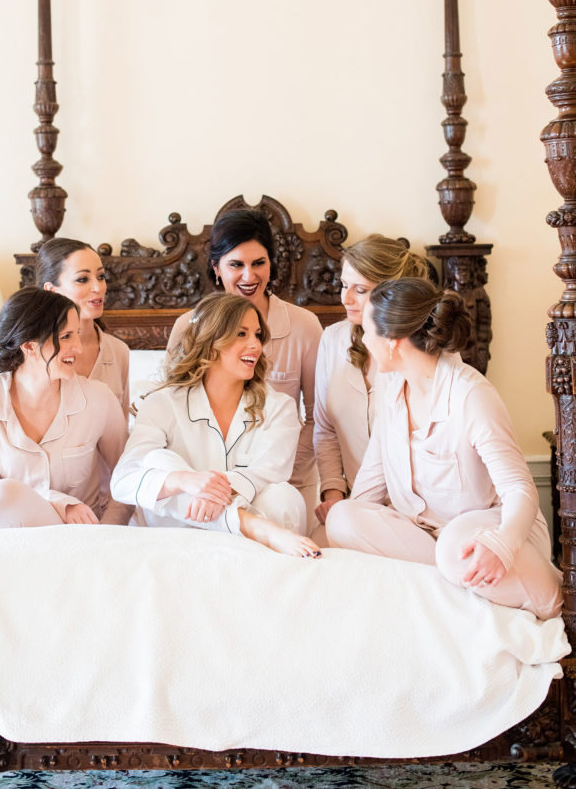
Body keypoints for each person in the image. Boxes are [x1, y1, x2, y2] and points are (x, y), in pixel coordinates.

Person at [326, 278, 562, 620]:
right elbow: (368, 490)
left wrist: (501, 545)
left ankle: (547, 594)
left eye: (367, 330)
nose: (363, 338)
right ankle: (454, 592)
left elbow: (520, 490)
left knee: (455, 545)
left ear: (393, 342)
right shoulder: (390, 391)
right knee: (342, 518)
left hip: (495, 537)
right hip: (430, 544)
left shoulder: (471, 396)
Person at [113, 293, 322, 558]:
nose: (255, 345)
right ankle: (254, 527)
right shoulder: (163, 403)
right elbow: (122, 481)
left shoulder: (278, 407)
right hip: (182, 530)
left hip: (252, 528)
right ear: (211, 343)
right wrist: (186, 481)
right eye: (241, 334)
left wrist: (210, 492)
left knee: (283, 495)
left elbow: (270, 471)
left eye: (257, 335)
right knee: (159, 460)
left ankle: (249, 529)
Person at [166, 209, 322, 532]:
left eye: (259, 263)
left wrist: (276, 467)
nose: (249, 276)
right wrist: (214, 484)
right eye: (236, 264)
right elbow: (173, 407)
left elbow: (316, 417)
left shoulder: (304, 327)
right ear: (216, 268)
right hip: (206, 487)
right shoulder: (187, 327)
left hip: (283, 481)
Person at [0, 285, 130, 530]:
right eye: (66, 337)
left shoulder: (98, 399)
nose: (78, 348)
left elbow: (128, 478)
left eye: (77, 334)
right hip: (1, 529)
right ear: (29, 346)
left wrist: (106, 535)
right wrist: (62, 503)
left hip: (77, 537)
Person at [313, 235, 428, 538]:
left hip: (421, 511)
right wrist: (334, 495)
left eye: (360, 290)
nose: (345, 298)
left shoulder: (425, 350)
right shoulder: (332, 340)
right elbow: (324, 430)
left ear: (392, 294)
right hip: (355, 507)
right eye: (343, 285)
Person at [35, 237, 130, 421]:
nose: (98, 287)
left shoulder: (119, 352)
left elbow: (122, 431)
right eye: (82, 279)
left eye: (101, 277)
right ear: (51, 290)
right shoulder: (32, 352)